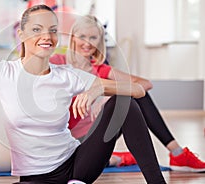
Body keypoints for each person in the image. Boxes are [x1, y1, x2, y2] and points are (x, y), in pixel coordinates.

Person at [0, 5, 166, 184]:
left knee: (124, 103)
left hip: (77, 165)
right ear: (22, 35)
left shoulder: (67, 75)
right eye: (37, 29)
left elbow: (137, 90)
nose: (46, 36)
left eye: (53, 30)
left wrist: (100, 86)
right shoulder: (2, 72)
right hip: (35, 177)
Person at [50, 14, 205, 172]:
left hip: (92, 139)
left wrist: (104, 97)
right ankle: (116, 159)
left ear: (100, 41)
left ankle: (177, 153)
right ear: (73, 38)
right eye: (82, 36)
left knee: (131, 96)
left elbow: (145, 84)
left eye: (93, 37)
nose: (87, 43)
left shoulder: (102, 70)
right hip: (66, 141)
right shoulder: (57, 62)